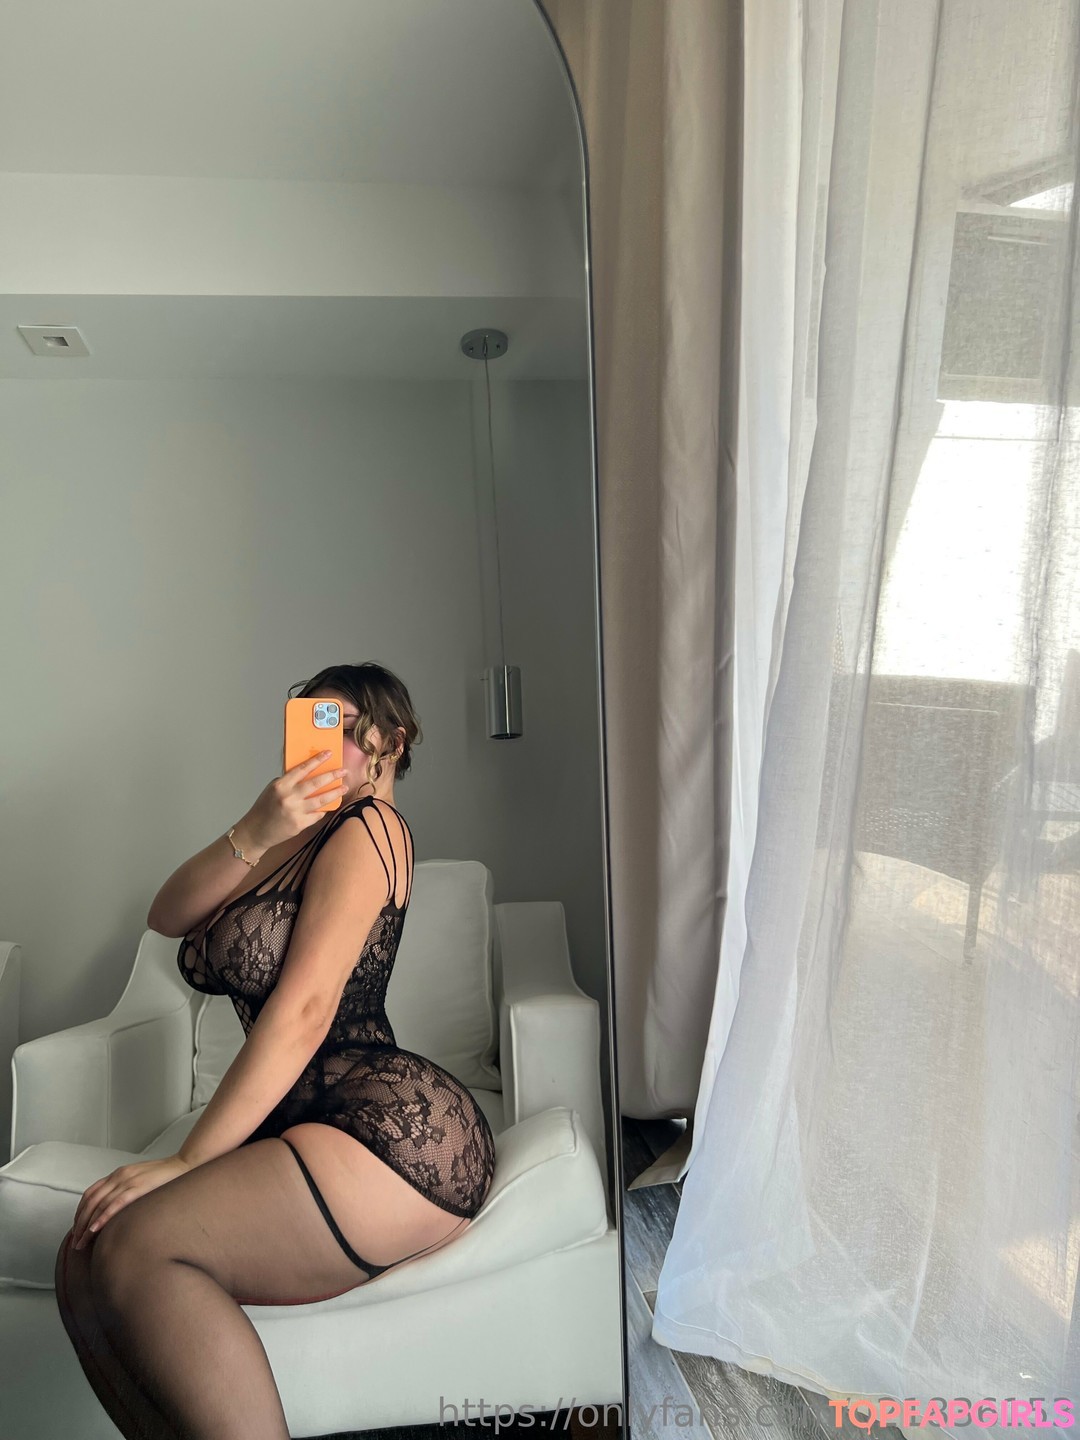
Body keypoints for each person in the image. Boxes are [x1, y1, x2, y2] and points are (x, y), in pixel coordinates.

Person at [53, 661, 497, 1440]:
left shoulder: (371, 829)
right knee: (80, 1261)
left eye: (343, 728)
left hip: (385, 1129)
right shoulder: (296, 833)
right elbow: (167, 916)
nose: (321, 744)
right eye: (309, 725)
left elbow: (307, 1012)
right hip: (314, 1118)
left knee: (133, 1247)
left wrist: (187, 1161)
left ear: (390, 743)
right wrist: (257, 828)